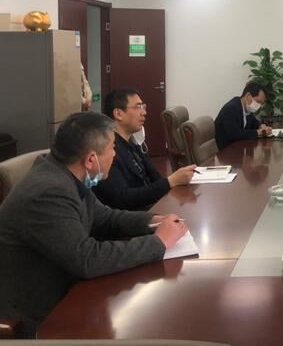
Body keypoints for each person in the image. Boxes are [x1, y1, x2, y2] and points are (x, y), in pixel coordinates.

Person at [0, 112, 187, 337]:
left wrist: (153, 221)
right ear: (91, 159)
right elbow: (87, 259)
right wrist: (159, 242)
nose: (115, 155)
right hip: (39, 316)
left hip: (68, 290)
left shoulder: (66, 174)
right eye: (112, 148)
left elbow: (105, 218)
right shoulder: (49, 191)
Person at [93, 88, 196, 210]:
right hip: (133, 216)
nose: (144, 112)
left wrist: (175, 180)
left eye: (143, 107)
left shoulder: (132, 142)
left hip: (152, 207)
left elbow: (155, 178)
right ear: (119, 114)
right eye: (138, 107)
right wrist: (170, 181)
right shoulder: (107, 150)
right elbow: (123, 198)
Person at [214, 81, 272, 150]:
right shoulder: (231, 108)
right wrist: (258, 132)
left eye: (261, 103)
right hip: (226, 150)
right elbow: (234, 133)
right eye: (258, 102)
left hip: (238, 147)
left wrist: (261, 125)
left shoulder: (246, 107)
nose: (259, 106)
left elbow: (253, 121)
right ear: (248, 96)